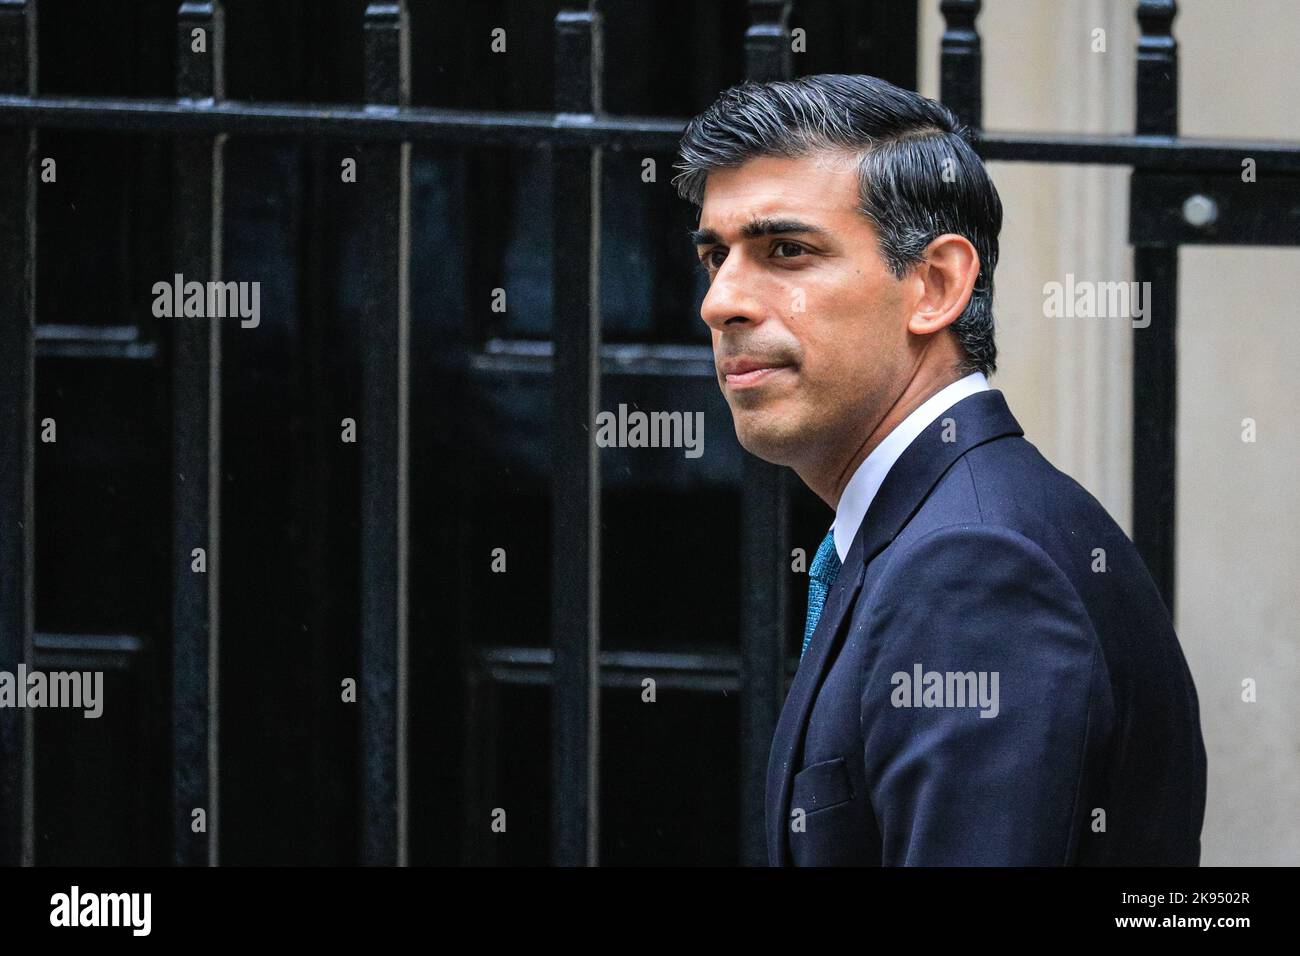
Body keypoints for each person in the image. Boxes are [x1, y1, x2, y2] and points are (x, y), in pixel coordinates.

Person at [673, 74, 1207, 866]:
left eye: (786, 250)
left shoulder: (972, 568)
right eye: (716, 256)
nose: (722, 302)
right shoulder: (956, 526)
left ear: (936, 285)